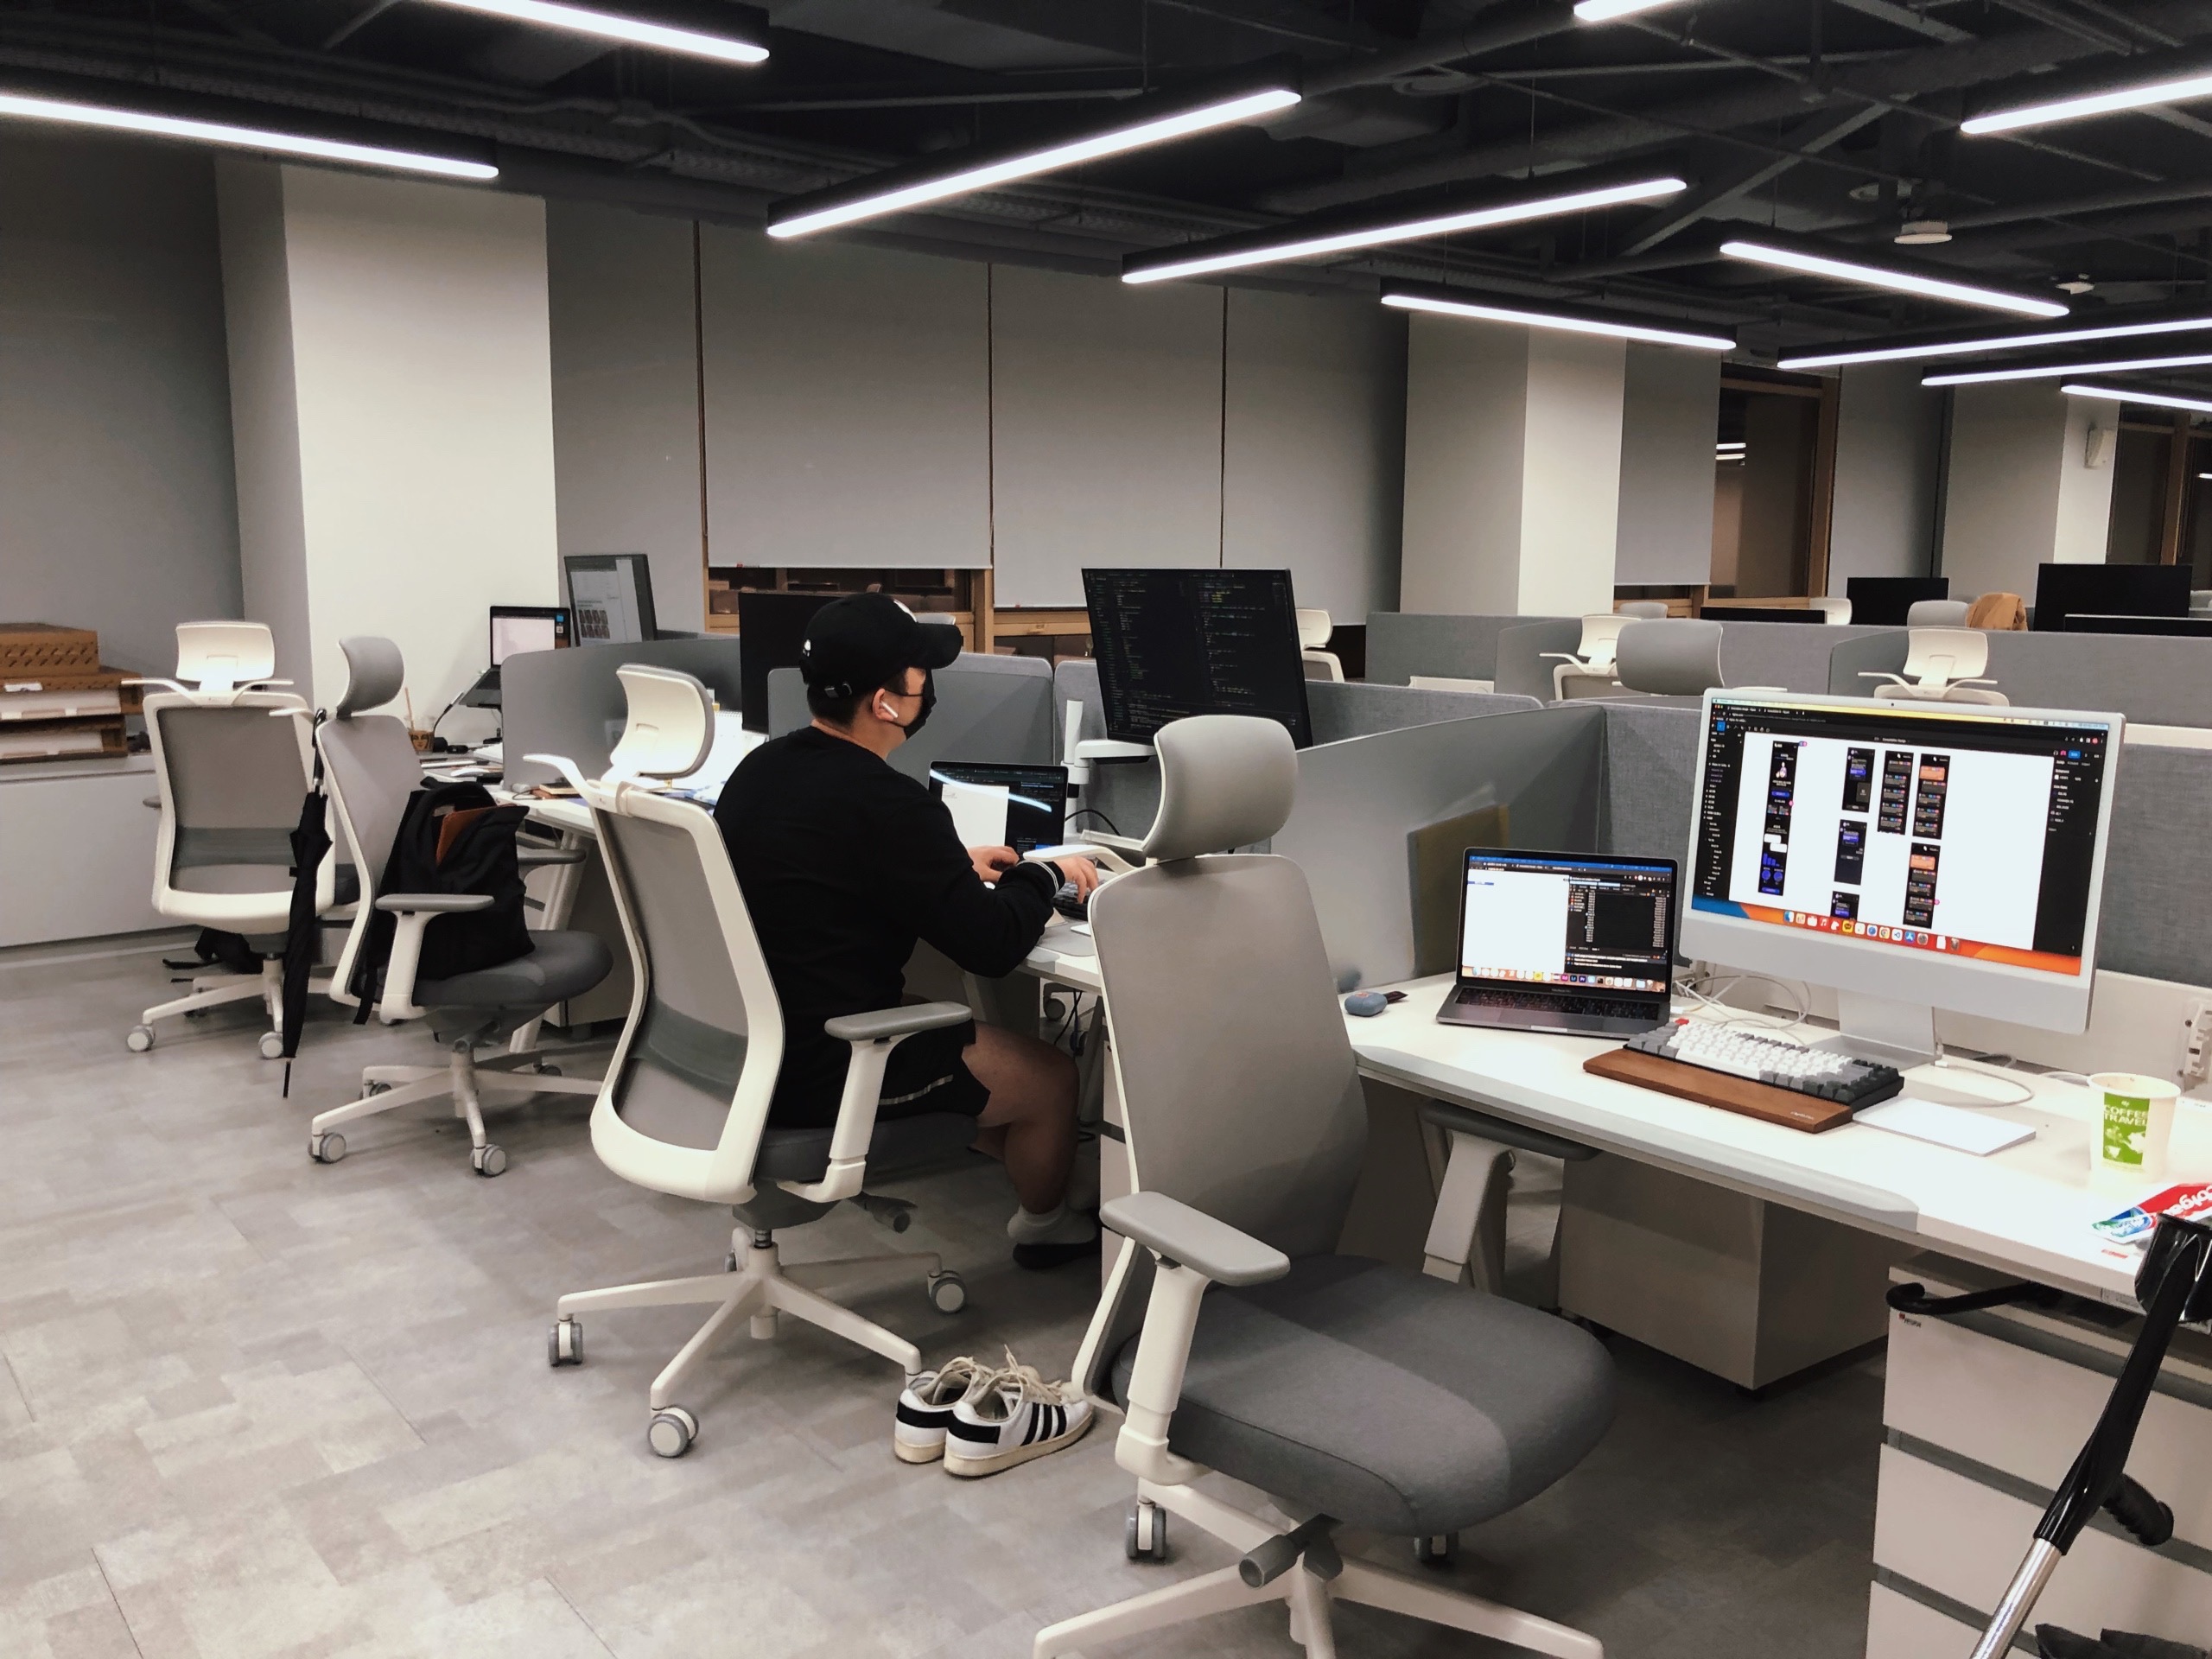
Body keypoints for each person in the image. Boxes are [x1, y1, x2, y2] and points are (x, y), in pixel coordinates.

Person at [714, 594, 1103, 1268]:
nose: (928, 686)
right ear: (885, 704)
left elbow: (823, 867)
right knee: (1050, 1079)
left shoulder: (761, 770)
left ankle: (1029, 1165)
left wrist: (945, 866)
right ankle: (1047, 1227)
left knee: (952, 1036)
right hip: (826, 1068)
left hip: (751, 1046)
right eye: (920, 674)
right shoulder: (888, 802)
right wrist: (1044, 876)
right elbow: (992, 945)